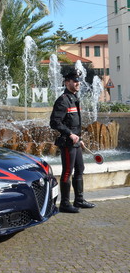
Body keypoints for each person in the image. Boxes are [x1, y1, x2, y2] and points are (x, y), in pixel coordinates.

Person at [50, 69, 95, 213]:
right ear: (67, 82)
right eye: (74, 81)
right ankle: (64, 203)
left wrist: (79, 139)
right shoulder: (63, 100)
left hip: (75, 142)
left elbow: (74, 123)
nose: (77, 83)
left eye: (78, 81)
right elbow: (54, 122)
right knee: (67, 171)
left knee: (80, 169)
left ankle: (79, 200)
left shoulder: (73, 98)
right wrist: (70, 134)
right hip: (67, 143)